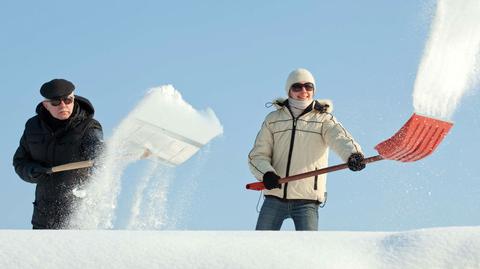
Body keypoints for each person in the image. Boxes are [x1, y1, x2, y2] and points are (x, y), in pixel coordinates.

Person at [248, 68, 366, 231]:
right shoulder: (273, 120)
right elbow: (257, 155)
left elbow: (340, 138)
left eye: (308, 86)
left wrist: (353, 155)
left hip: (307, 201)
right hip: (275, 197)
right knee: (258, 246)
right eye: (297, 87)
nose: (303, 91)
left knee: (309, 250)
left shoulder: (323, 119)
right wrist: (266, 174)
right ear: (289, 90)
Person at [13, 79, 103, 229]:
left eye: (67, 100)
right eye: (56, 102)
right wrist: (32, 171)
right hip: (43, 215)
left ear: (73, 99)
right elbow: (20, 161)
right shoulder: (32, 127)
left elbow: (95, 146)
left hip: (78, 213)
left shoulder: (89, 126)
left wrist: (99, 153)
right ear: (46, 105)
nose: (63, 105)